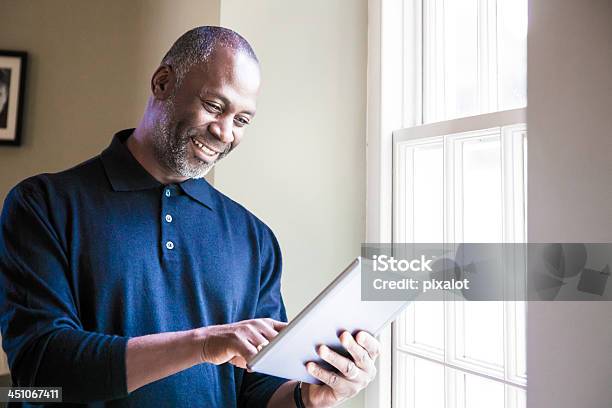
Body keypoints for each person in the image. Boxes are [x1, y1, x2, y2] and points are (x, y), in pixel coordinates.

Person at [0, 26, 379, 407]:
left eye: (242, 120)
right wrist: (203, 343)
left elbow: (254, 390)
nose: (225, 132)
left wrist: (309, 397)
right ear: (163, 82)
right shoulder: (42, 203)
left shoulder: (254, 239)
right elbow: (39, 370)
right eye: (215, 106)